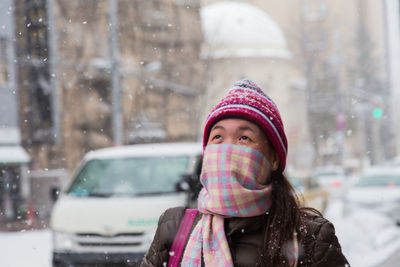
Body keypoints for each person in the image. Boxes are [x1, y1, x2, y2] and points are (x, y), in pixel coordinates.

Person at [141, 79, 349, 267]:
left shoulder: (309, 237)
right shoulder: (175, 226)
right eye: (218, 137)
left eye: (244, 138)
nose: (227, 148)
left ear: (274, 159)